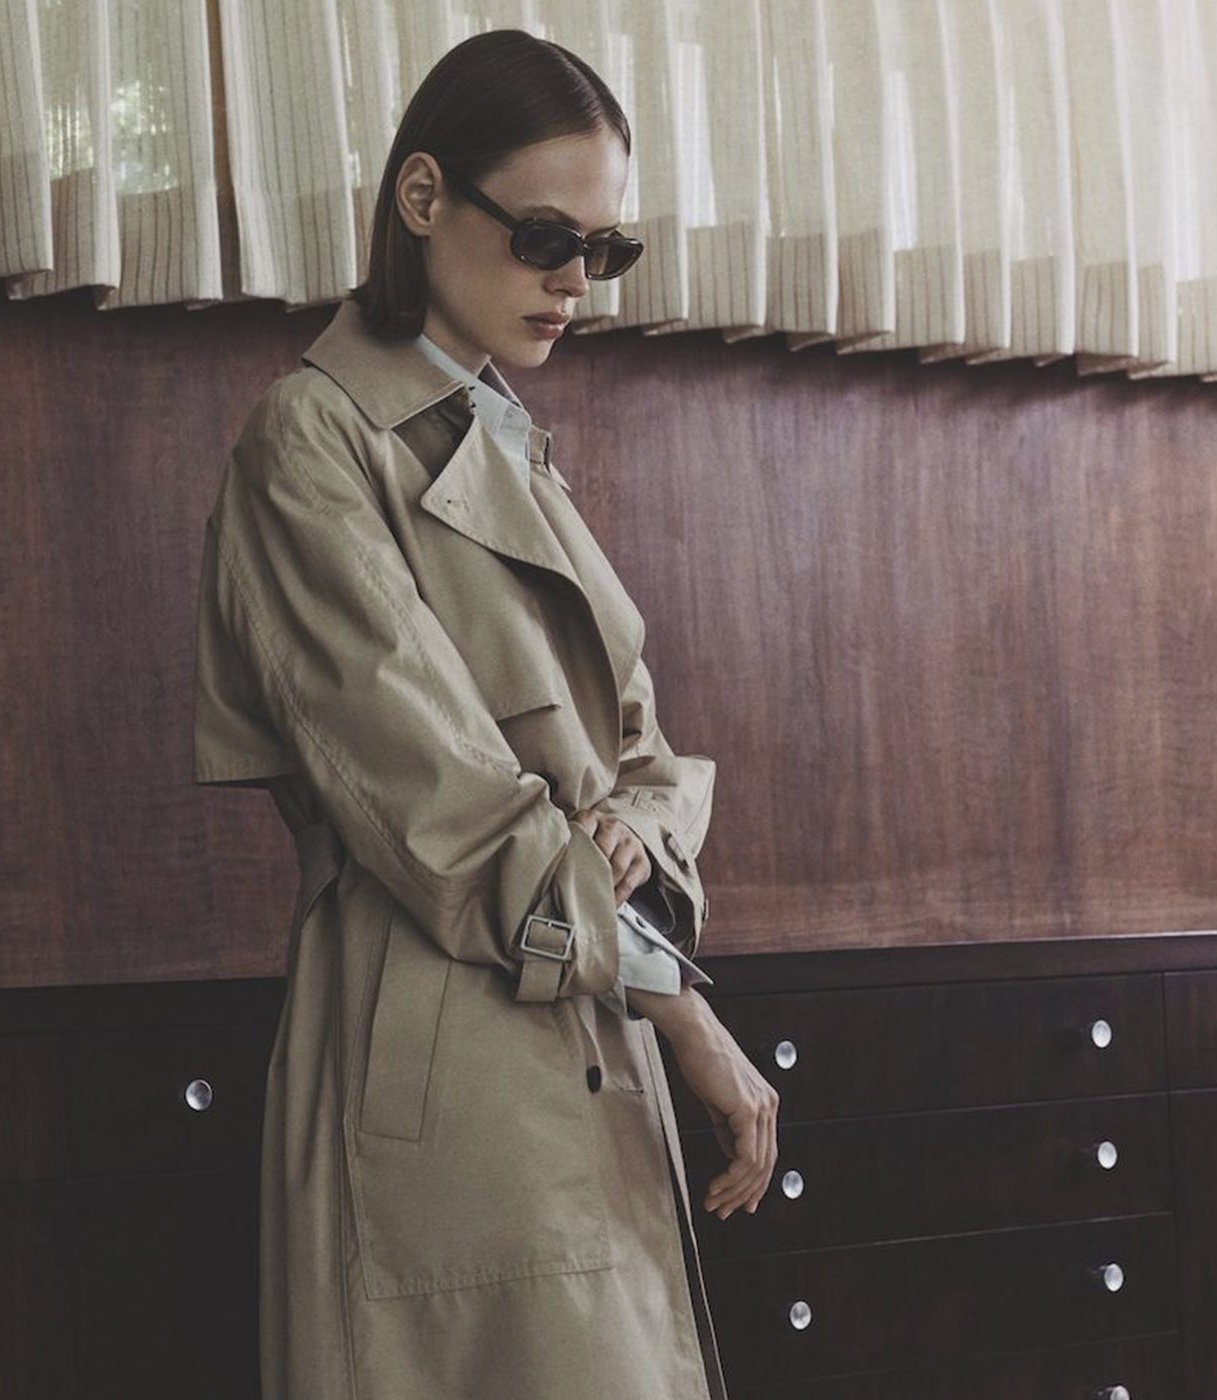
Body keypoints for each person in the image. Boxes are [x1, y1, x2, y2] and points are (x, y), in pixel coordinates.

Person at [192, 27, 778, 1400]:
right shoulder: (312, 440)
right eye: (545, 237)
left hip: (586, 1030)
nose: (575, 280)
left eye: (604, 250)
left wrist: (634, 830)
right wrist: (683, 1010)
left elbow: (643, 757)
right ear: (423, 198)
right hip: (443, 1063)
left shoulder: (501, 437)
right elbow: (442, 811)